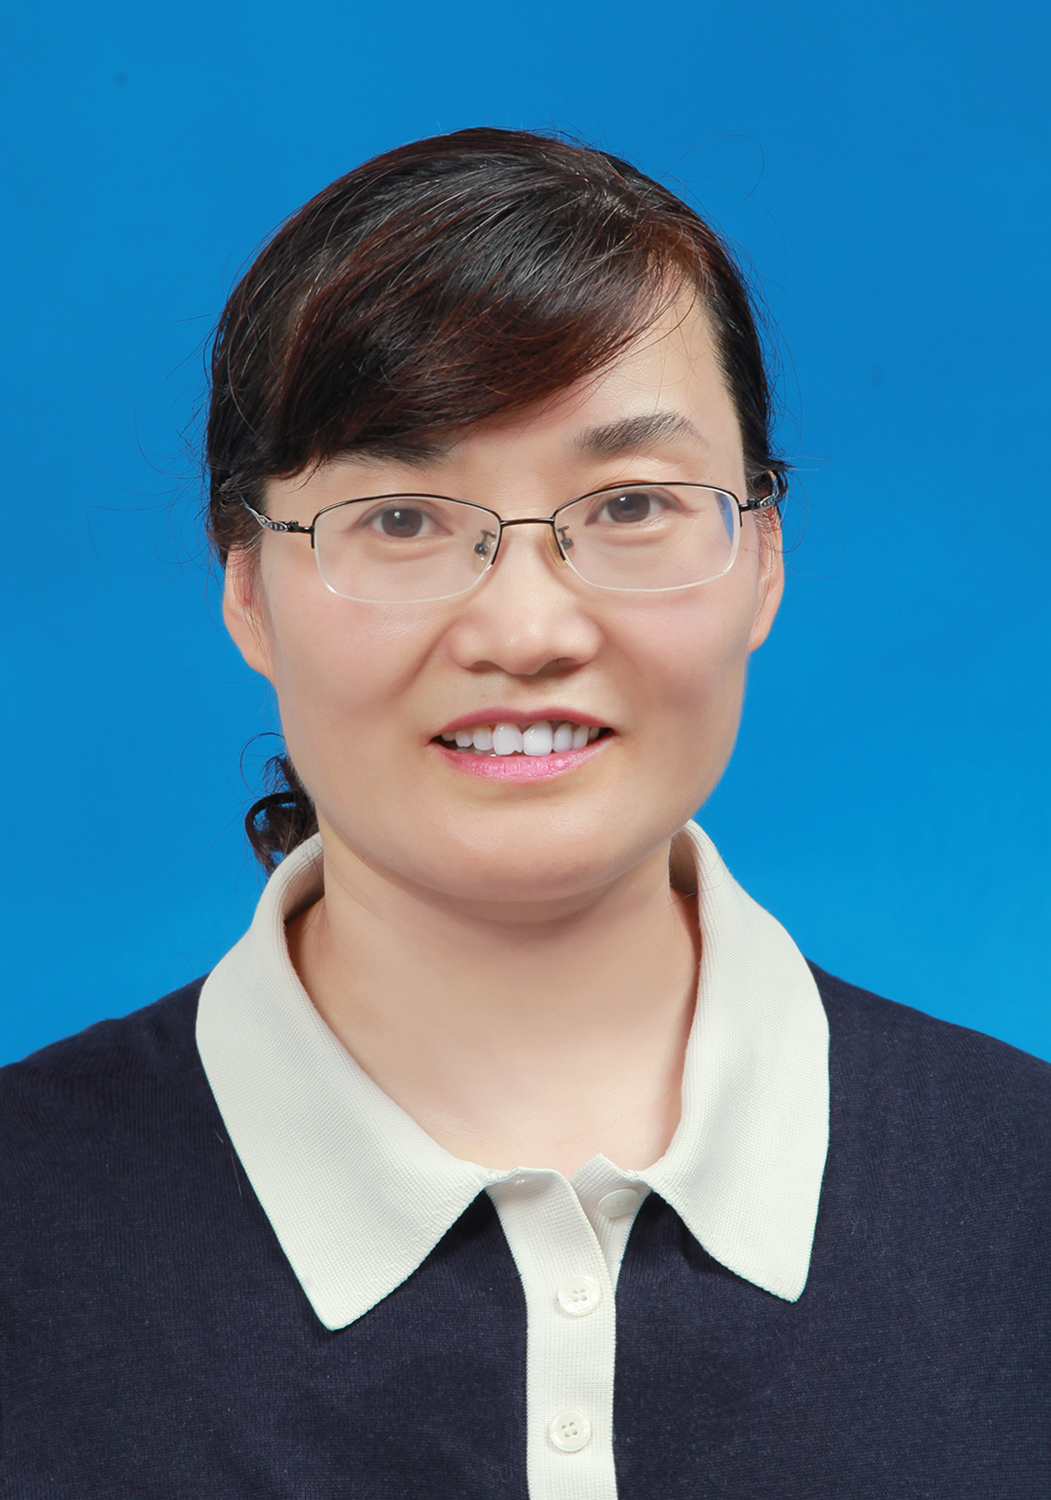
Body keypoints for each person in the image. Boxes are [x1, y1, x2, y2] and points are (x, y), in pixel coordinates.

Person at [1, 128, 1048, 1499]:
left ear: (765, 557)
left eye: (630, 504)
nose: (526, 629)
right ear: (245, 584)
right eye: (400, 519)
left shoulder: (1021, 1193)